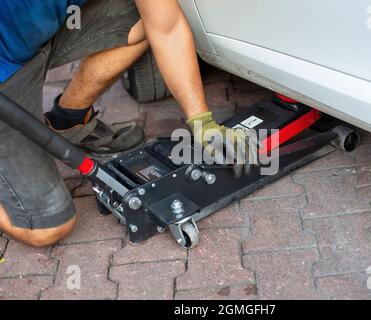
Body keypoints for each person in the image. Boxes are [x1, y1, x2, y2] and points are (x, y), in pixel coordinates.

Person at [0, 0, 254, 247]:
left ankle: (68, 119)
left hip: (33, 36)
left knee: (144, 17)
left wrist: (202, 122)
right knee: (47, 227)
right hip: (7, 73)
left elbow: (167, 28)